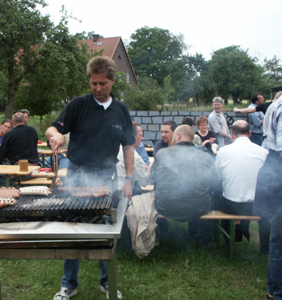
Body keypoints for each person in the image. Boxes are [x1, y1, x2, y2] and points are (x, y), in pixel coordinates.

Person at [46, 56, 134, 300]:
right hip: (77, 174)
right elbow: (53, 128)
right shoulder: (78, 105)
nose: (97, 89)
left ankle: (107, 282)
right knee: (71, 228)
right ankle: (68, 285)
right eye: (93, 83)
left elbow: (128, 146)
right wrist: (57, 136)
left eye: (103, 84)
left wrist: (129, 179)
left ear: (113, 81)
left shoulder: (121, 110)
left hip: (107, 177)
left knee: (105, 230)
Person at [151, 125, 219, 247]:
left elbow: (153, 180)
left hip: (166, 207)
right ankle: (204, 240)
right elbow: (214, 184)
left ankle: (161, 235)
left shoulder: (162, 153)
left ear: (178, 136)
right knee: (211, 199)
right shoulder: (206, 156)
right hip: (199, 208)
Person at [215, 120, 268, 243]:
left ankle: (228, 242)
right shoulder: (263, 152)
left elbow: (219, 177)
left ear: (232, 134)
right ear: (250, 134)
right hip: (256, 206)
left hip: (231, 206)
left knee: (222, 193)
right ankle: (264, 247)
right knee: (253, 192)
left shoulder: (223, 151)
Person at [253, 93, 282, 299]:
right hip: (277, 175)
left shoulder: (275, 105)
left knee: (279, 240)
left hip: (274, 174)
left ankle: (274, 290)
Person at [117, 121, 148, 195]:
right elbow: (144, 182)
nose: (143, 138)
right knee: (138, 189)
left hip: (112, 189)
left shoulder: (116, 148)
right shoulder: (135, 157)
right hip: (125, 192)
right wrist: (150, 167)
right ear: (132, 136)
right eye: (141, 135)